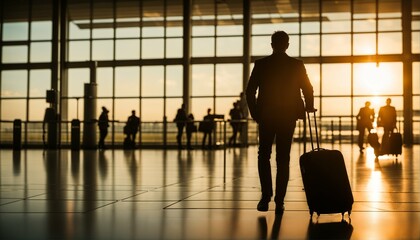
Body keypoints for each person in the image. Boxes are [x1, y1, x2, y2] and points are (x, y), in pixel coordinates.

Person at [246, 31, 314, 215]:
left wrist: (255, 113)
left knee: (264, 155)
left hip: (266, 116)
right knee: (283, 158)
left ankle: (265, 195)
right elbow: (307, 88)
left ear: (272, 44)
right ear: (287, 45)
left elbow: (250, 91)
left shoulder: (261, 65)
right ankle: (280, 200)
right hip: (287, 116)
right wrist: (309, 106)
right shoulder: (296, 65)